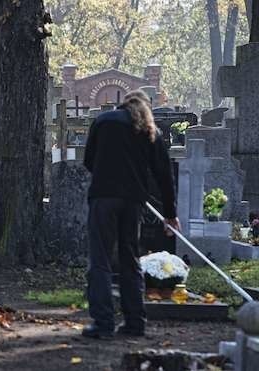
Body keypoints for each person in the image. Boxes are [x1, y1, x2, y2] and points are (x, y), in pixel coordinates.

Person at [82, 89, 180, 339]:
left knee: (101, 260)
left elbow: (89, 160)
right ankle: (135, 322)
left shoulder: (103, 121)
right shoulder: (150, 129)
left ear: (123, 103)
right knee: (130, 259)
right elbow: (164, 174)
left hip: (103, 197)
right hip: (133, 202)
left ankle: (103, 323)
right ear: (146, 107)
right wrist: (170, 214)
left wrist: (105, 174)